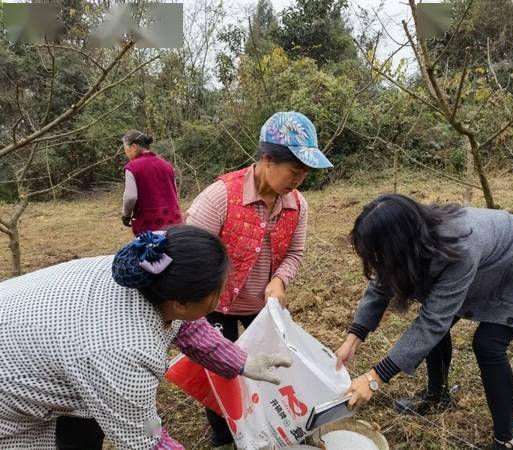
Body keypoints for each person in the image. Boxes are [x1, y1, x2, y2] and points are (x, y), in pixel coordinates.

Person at [0, 224, 292, 449]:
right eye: (217, 292)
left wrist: (241, 361)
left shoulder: (148, 272)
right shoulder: (124, 350)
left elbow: (189, 326)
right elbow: (145, 439)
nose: (222, 297)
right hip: (10, 389)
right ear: (181, 302)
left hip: (36, 345)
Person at [335, 194, 513, 450]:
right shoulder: (416, 236)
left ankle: (505, 438)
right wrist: (354, 336)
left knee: (488, 344)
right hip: (495, 261)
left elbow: (432, 323)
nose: (377, 259)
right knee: (442, 323)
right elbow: (382, 279)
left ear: (398, 243)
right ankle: (437, 396)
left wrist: (374, 378)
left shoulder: (460, 245)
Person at [186, 111, 333, 449]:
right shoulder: (221, 196)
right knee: (220, 369)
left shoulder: (298, 205)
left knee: (267, 368)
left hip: (262, 307)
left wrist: (280, 280)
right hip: (215, 304)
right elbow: (191, 254)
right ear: (268, 160)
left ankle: (264, 425)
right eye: (294, 170)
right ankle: (223, 435)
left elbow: (295, 254)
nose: (299, 180)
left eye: (305, 173)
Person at [121, 130, 182, 235]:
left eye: (125, 149)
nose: (125, 153)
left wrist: (126, 215)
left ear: (134, 147)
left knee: (151, 251)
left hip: (150, 224)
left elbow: (130, 197)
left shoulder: (132, 167)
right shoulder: (166, 165)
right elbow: (174, 192)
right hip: (175, 222)